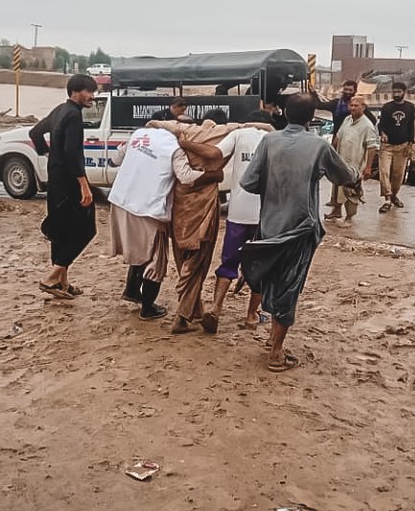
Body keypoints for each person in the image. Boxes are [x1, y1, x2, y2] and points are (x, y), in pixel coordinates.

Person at [239, 93, 358, 372]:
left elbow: (248, 182)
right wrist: (356, 172)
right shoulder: (318, 145)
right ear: (311, 118)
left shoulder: (269, 141)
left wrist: (273, 187)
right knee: (289, 287)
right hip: (300, 229)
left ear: (285, 114)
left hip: (269, 227)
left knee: (273, 281)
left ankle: (273, 339)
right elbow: (345, 176)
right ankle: (276, 352)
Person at [147, 110, 273, 334]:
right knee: (200, 262)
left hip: (184, 204)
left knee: (191, 259)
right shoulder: (230, 130)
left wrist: (183, 142)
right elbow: (215, 154)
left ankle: (206, 309)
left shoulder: (183, 129)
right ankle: (246, 315)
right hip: (212, 206)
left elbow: (152, 123)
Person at [109, 126, 220, 321]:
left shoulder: (140, 134)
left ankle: (132, 290)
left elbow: (116, 158)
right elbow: (186, 177)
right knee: (156, 259)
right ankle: (148, 308)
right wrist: (214, 175)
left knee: (139, 250)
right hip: (148, 209)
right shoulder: (174, 148)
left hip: (120, 201)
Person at [35, 74, 98, 299]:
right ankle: (51, 278)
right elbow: (72, 154)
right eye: (89, 92)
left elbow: (35, 132)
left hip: (55, 180)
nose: (92, 96)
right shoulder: (73, 115)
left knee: (60, 230)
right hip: (71, 182)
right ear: (75, 92)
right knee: (86, 230)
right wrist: (84, 185)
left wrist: (49, 155)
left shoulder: (59, 110)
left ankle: (62, 283)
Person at [325, 95, 378, 225]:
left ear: (363, 107)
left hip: (355, 164)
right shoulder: (347, 119)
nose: (352, 108)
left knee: (351, 191)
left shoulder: (367, 125)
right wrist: (331, 153)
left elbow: (372, 147)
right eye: (351, 105)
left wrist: (368, 167)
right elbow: (338, 137)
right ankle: (336, 211)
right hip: (341, 161)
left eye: (356, 106)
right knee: (337, 187)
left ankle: (349, 217)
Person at [377, 82, 415, 212]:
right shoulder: (386, 107)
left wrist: (410, 144)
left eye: (399, 92)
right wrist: (382, 133)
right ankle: (387, 199)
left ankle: (394, 195)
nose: (396, 94)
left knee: (398, 174)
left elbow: (411, 126)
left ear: (404, 92)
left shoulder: (410, 108)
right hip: (387, 147)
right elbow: (380, 124)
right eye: (394, 92)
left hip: (403, 146)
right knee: (384, 172)